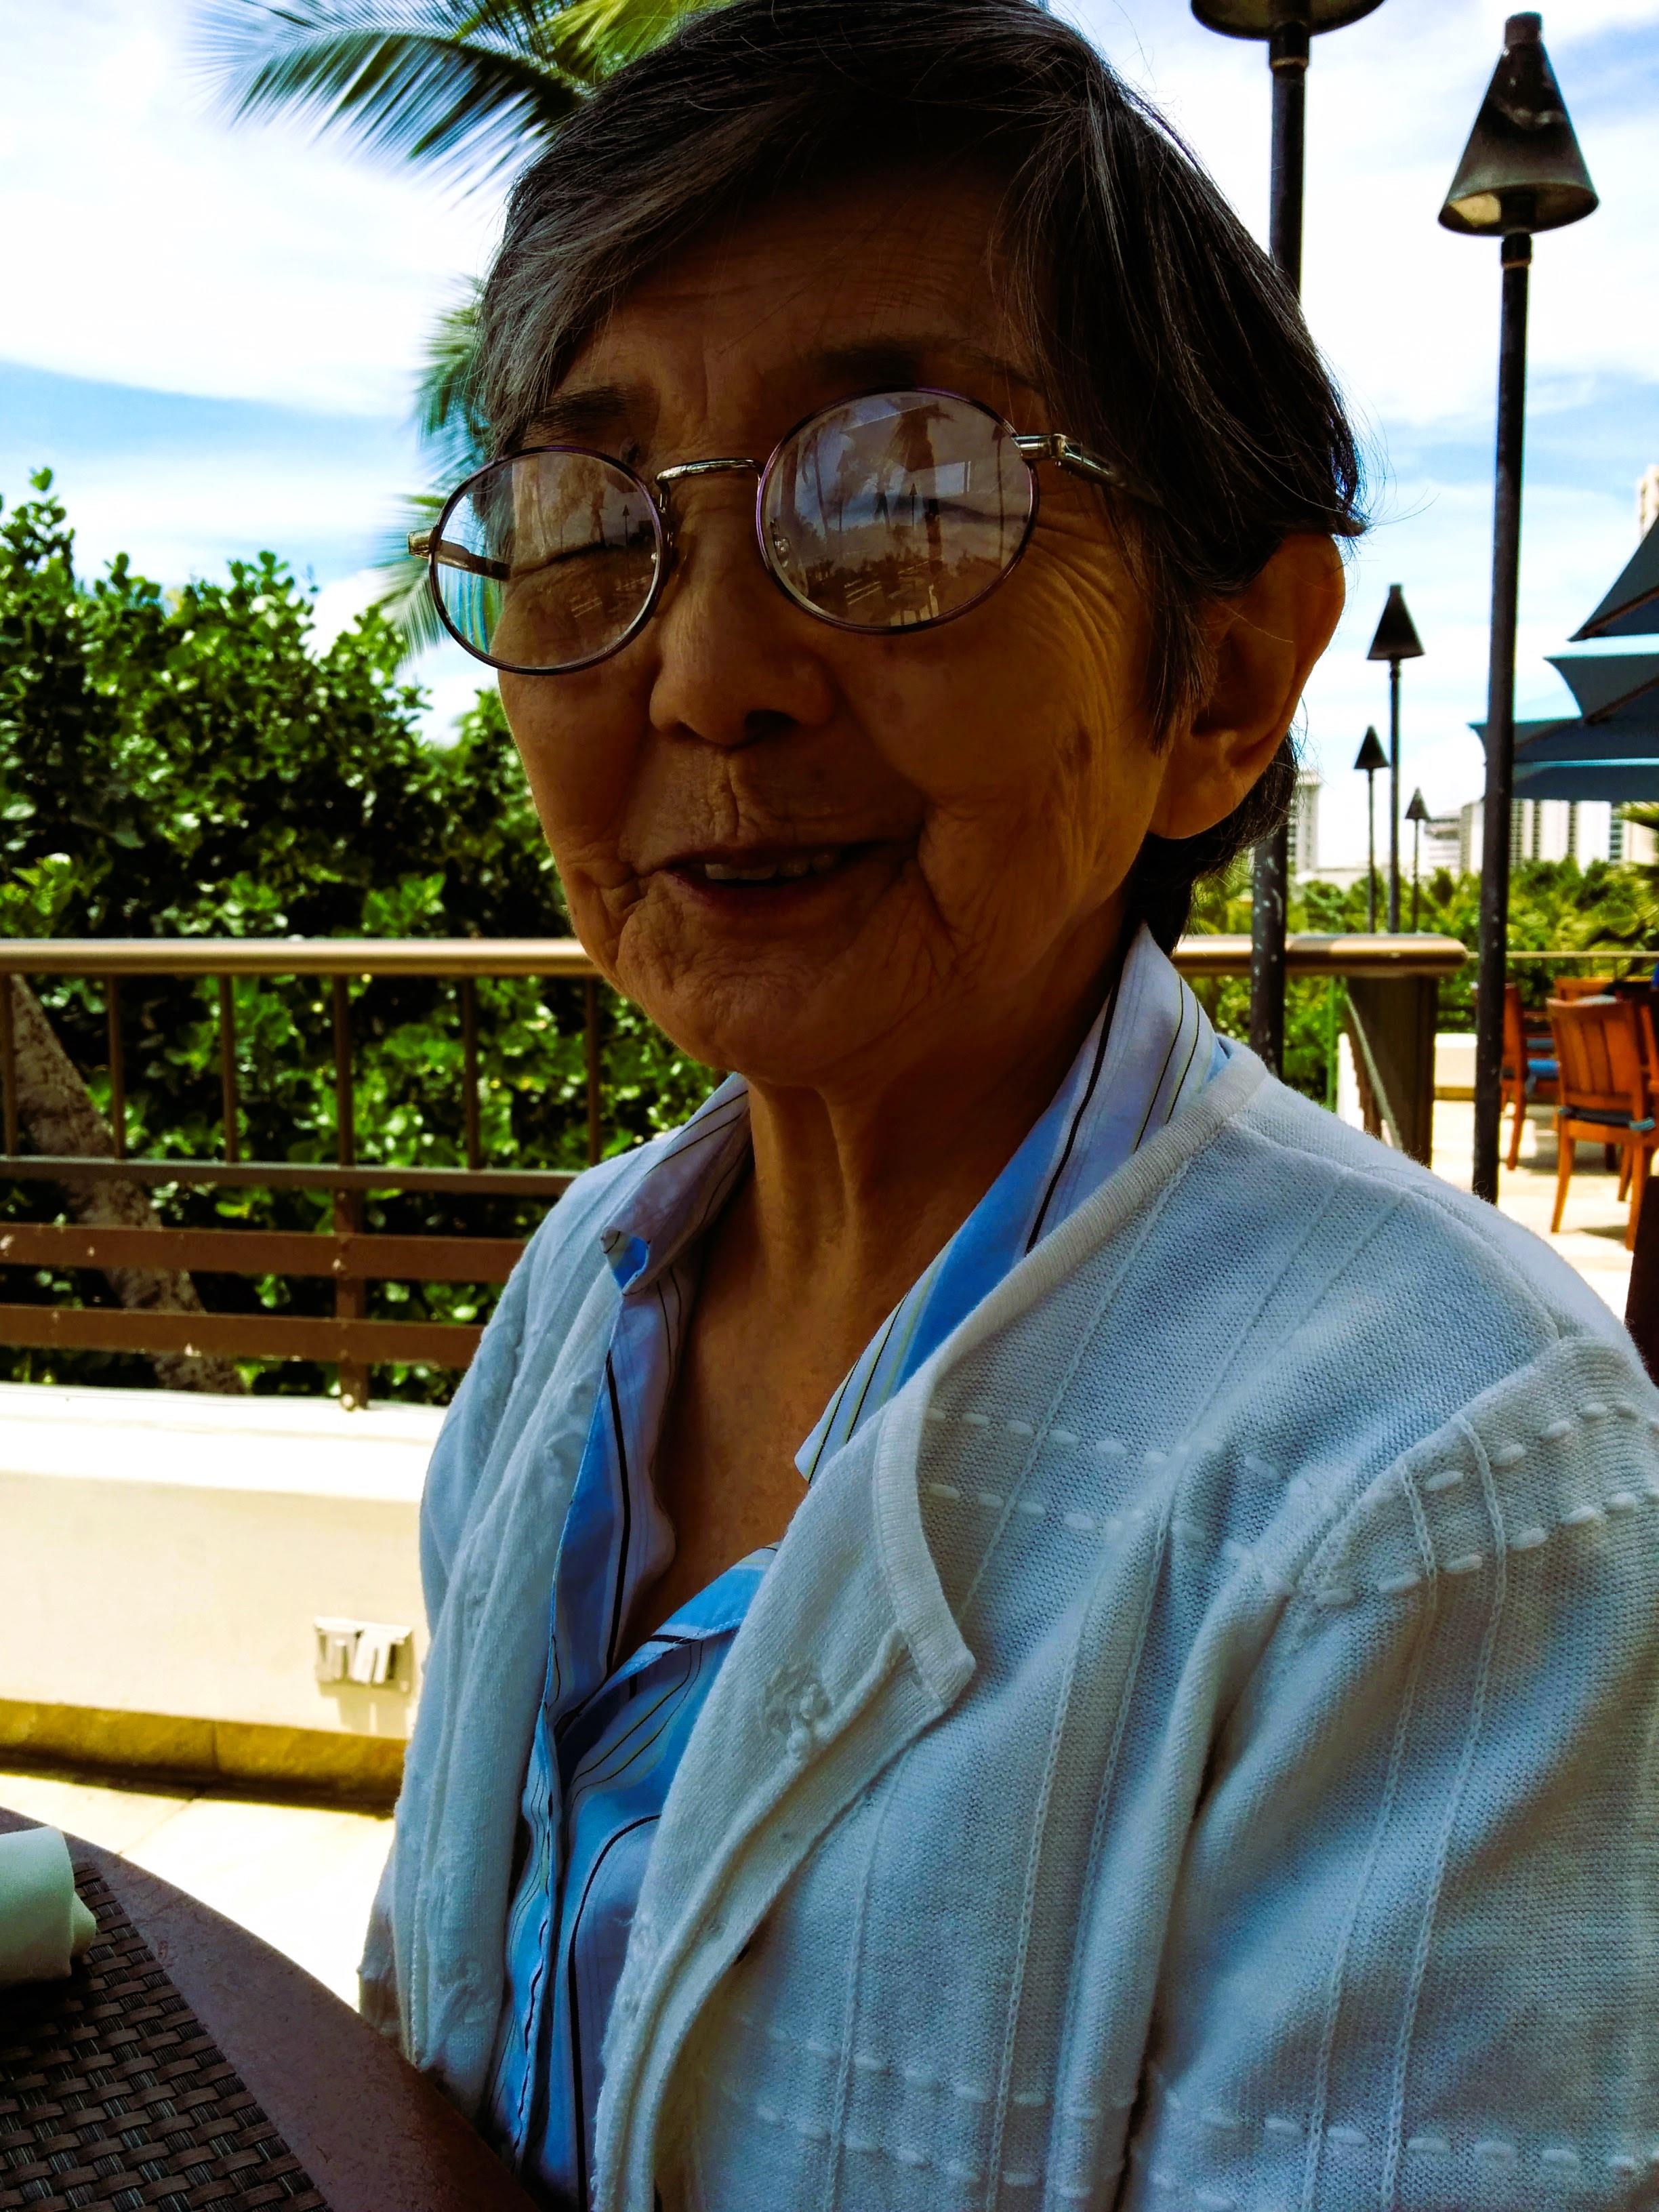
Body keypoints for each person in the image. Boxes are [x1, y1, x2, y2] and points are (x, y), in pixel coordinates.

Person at [361, 4, 1659, 2207]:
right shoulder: (590, 1289)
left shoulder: (1454, 1503)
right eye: (587, 526)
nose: (701, 675)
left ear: (1224, 686)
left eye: (895, 495)